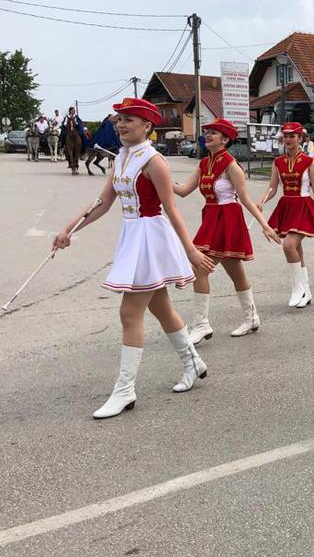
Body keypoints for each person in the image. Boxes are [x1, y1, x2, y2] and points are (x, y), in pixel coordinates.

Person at [52, 97, 215, 419]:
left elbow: (171, 209)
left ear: (147, 126)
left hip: (151, 237)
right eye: (118, 120)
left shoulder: (155, 161)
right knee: (160, 306)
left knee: (129, 313)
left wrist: (191, 250)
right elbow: (103, 202)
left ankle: (125, 390)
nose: (121, 125)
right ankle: (193, 363)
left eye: (129, 119)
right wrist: (70, 229)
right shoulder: (122, 157)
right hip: (133, 235)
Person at [173, 118, 280, 343]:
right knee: (236, 273)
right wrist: (160, 177)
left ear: (225, 139)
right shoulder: (203, 164)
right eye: (207, 132)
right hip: (210, 218)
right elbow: (182, 191)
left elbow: (246, 200)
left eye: (214, 133)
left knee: (199, 269)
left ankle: (201, 325)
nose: (208, 135)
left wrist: (265, 225)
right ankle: (251, 318)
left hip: (229, 220)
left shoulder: (231, 165)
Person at [257, 121, 314, 308]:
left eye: (292, 136)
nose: (288, 139)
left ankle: (297, 288)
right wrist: (262, 201)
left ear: (300, 138)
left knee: (289, 245)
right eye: (286, 136)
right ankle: (306, 291)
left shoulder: (308, 161)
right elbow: (273, 188)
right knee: (296, 249)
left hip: (304, 206)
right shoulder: (278, 162)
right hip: (286, 205)